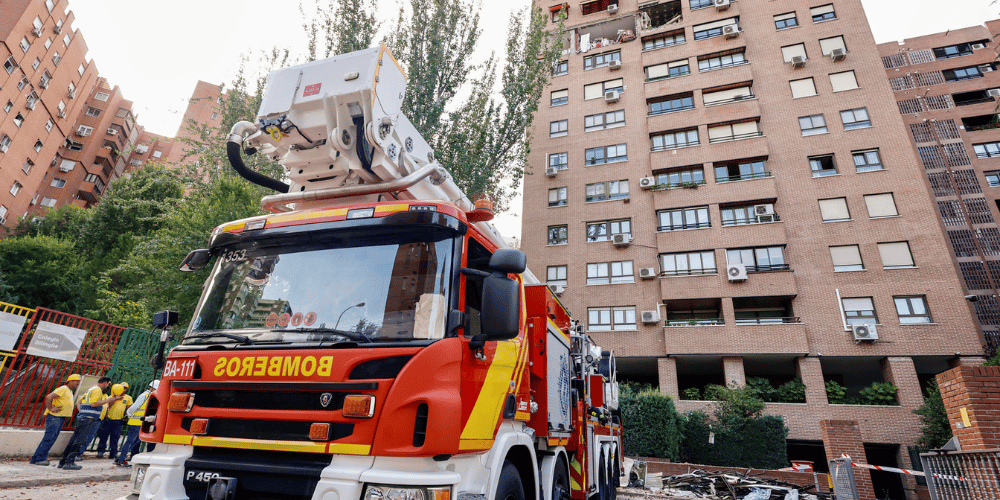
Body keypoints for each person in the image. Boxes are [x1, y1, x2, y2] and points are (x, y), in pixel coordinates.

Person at [58, 376, 121, 470]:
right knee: (79, 440)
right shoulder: (97, 390)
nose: (107, 386)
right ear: (105, 383)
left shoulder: (91, 389)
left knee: (74, 439)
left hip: (83, 417)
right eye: (108, 384)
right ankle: (69, 462)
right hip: (88, 418)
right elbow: (93, 403)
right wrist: (108, 400)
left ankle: (63, 461)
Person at [29, 374, 82, 466]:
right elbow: (49, 397)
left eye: (79, 381)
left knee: (51, 438)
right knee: (49, 438)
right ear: (70, 381)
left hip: (59, 417)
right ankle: (38, 458)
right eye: (76, 381)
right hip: (55, 417)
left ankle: (39, 458)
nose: (78, 383)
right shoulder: (63, 388)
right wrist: (51, 408)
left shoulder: (69, 390)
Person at [116, 380, 158, 467]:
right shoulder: (145, 395)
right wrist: (129, 414)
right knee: (130, 442)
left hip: (140, 422)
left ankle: (122, 458)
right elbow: (133, 407)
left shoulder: (150, 395)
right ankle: (121, 460)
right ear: (152, 388)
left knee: (134, 442)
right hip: (136, 422)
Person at [96, 383, 132, 458]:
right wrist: (115, 398)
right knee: (103, 436)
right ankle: (100, 451)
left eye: (125, 388)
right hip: (108, 419)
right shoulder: (111, 397)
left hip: (118, 420)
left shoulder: (128, 398)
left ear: (127, 389)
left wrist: (126, 416)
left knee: (115, 437)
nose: (123, 389)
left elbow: (129, 408)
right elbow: (108, 406)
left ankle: (113, 453)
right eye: (122, 388)